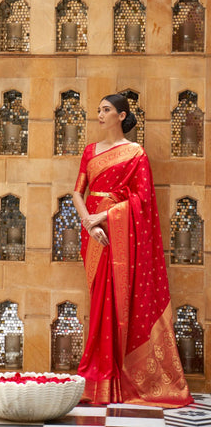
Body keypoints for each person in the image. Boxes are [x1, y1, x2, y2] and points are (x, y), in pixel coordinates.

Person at [73, 94, 193, 407]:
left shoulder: (135, 154)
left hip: (118, 234)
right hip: (94, 235)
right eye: (98, 109)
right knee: (99, 303)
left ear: (121, 115)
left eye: (106, 110)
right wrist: (88, 221)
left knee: (116, 305)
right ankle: (97, 382)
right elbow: (77, 192)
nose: (99, 114)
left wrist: (105, 217)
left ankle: (116, 381)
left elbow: (143, 200)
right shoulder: (90, 151)